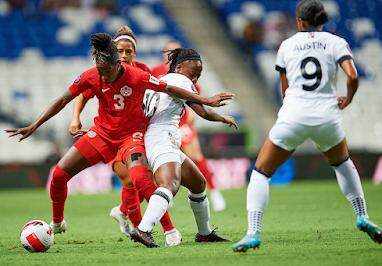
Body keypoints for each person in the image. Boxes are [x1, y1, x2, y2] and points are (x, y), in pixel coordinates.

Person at [5, 33, 233, 242]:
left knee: (140, 181)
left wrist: (206, 101)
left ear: (122, 61)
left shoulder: (139, 74)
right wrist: (36, 125)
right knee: (59, 174)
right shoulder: (93, 75)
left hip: (131, 137)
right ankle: (58, 223)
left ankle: (166, 229)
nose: (103, 76)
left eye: (107, 71)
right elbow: (65, 99)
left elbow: (168, 89)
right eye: (100, 70)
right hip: (102, 133)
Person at [232, 0, 382, 253]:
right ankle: (362, 215)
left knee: (260, 172)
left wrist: (293, 109)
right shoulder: (336, 42)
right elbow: (353, 75)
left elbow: (284, 88)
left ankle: (252, 232)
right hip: (327, 117)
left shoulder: (286, 45)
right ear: (323, 20)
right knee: (342, 163)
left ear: (299, 22)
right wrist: (347, 99)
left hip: (294, 116)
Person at [69, 26, 181, 246]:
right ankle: (147, 228)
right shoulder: (105, 71)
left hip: (139, 133)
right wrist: (75, 118)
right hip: (112, 136)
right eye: (119, 50)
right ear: (113, 51)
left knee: (140, 180)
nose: (123, 55)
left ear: (134, 53)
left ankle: (124, 212)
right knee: (132, 179)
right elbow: (83, 94)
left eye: (128, 51)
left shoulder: (142, 71)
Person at [130, 48, 238, 248]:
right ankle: (143, 229)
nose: (195, 78)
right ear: (179, 67)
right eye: (193, 73)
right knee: (169, 184)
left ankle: (204, 233)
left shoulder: (164, 78)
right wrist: (217, 111)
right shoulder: (181, 80)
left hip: (158, 137)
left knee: (198, 183)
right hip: (161, 137)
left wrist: (222, 118)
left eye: (198, 75)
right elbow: (203, 112)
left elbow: (202, 112)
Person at [153, 41, 227, 212]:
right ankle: (163, 194)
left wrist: (192, 115)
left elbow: (194, 98)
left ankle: (215, 192)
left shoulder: (189, 75)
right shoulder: (155, 71)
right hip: (160, 122)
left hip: (182, 122)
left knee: (195, 155)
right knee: (158, 160)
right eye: (168, 51)